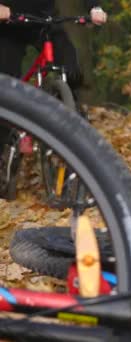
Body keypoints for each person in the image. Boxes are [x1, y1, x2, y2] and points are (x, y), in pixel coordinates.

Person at [0, 2, 106, 199]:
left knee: (70, 65)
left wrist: (95, 7)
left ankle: (67, 113)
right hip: (6, 22)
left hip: (43, 20)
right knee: (5, 83)